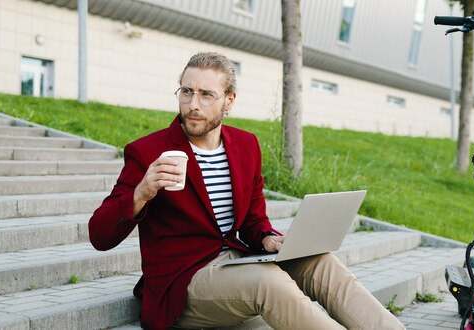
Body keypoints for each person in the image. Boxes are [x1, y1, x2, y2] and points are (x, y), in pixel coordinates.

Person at [88, 52, 405, 330]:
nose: (193, 105)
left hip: (236, 261)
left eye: (206, 95)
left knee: (320, 260)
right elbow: (100, 236)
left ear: (229, 100)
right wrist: (141, 193)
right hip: (183, 282)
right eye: (186, 91)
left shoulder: (245, 145)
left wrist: (268, 238)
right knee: (269, 282)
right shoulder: (148, 152)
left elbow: (254, 220)